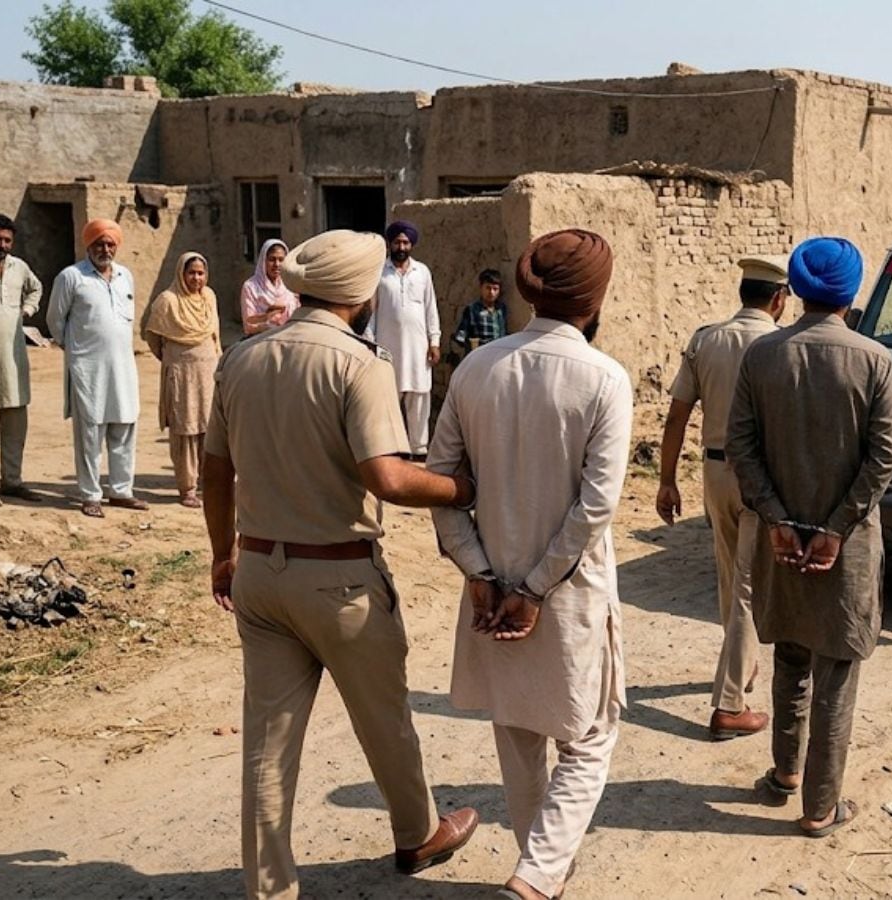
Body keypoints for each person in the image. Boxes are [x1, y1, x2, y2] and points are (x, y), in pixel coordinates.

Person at [202, 229, 480, 900]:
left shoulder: (241, 358)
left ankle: (269, 887)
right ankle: (417, 834)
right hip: (341, 577)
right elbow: (387, 477)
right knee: (384, 717)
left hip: (262, 570)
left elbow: (215, 469)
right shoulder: (359, 364)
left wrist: (222, 553)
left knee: (268, 746)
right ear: (361, 294)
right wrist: (461, 489)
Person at [431, 229, 629, 900]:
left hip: (493, 587)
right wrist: (538, 587)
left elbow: (442, 484)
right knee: (593, 735)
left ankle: (540, 868)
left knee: (517, 727)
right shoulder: (604, 379)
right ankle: (538, 877)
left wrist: (480, 571)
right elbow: (596, 505)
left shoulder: (477, 367)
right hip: (565, 592)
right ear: (596, 299)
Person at [725, 236, 892, 838]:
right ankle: (821, 808)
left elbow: (741, 450)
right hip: (844, 549)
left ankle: (785, 776)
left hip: (781, 543)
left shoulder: (764, 356)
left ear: (795, 290)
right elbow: (882, 461)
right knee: (836, 671)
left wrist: (776, 520)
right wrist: (833, 531)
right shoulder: (874, 360)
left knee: (791, 656)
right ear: (852, 293)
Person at [657, 254, 790, 741]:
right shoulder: (779, 345)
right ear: (778, 298)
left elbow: (676, 416)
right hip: (760, 476)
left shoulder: (705, 339)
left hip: (713, 471)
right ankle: (729, 706)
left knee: (730, 575)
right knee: (749, 587)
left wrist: (666, 479)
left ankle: (742, 663)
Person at [47, 218, 146, 518]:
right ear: (88, 245)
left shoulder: (125, 276)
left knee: (124, 426)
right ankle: (90, 494)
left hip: (123, 367)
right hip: (87, 368)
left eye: (110, 243)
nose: (105, 248)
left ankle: (121, 490)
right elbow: (55, 321)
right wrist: (76, 350)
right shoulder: (71, 277)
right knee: (90, 432)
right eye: (99, 243)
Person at [143, 252, 221, 508]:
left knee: (209, 430)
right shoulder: (167, 301)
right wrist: (173, 360)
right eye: (191, 273)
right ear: (181, 273)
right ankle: (187, 488)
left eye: (200, 273)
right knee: (185, 429)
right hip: (182, 375)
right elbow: (153, 339)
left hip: (207, 375)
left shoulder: (209, 297)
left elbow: (215, 336)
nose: (196, 278)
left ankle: (207, 483)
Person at [0, 213, 44, 504]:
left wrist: (27, 310)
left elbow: (36, 288)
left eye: (7, 240)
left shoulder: (19, 267)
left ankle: (12, 482)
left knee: (15, 427)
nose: (2, 245)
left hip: (15, 361)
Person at [371, 221, 440, 457]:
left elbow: (431, 309)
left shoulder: (422, 272)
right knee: (389, 400)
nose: (401, 246)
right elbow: (371, 312)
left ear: (412, 245)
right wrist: (370, 343)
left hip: (418, 349)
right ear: (390, 243)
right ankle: (394, 449)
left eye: (406, 242)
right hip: (387, 349)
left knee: (420, 398)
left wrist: (435, 342)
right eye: (397, 242)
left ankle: (419, 450)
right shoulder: (379, 273)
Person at [240, 238, 298, 335]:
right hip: (261, 340)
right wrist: (267, 318)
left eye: (281, 259)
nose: (277, 264)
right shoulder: (251, 287)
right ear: (263, 261)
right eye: (272, 259)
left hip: (289, 337)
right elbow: (249, 325)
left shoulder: (290, 285)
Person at [450, 268, 509, 353]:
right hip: (479, 354)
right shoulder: (472, 310)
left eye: (495, 289)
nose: (491, 292)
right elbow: (462, 333)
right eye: (488, 288)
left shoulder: (501, 309)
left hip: (498, 353)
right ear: (481, 288)